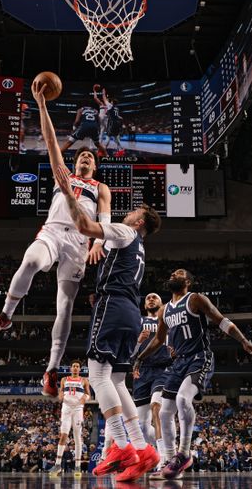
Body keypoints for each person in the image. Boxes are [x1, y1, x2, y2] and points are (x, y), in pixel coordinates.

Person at [43, 79, 163, 483]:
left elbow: (90, 225)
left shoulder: (128, 233)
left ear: (141, 222)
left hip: (114, 304)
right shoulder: (140, 250)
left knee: (96, 377)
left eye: (135, 213)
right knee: (115, 381)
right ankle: (142, 448)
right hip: (129, 313)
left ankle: (124, 445)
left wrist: (75, 205)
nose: (130, 214)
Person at [0, 103, 112, 398]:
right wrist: (41, 105)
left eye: (91, 156)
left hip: (79, 243)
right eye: (83, 155)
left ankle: (52, 370)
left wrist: (100, 242)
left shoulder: (101, 187)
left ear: (95, 165)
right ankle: (5, 315)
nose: (87, 157)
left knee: (64, 307)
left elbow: (105, 219)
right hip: (52, 231)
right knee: (30, 261)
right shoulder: (61, 174)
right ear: (76, 162)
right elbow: (51, 140)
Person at [135, 269, 252, 480]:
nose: (172, 275)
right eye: (171, 273)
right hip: (178, 363)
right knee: (164, 412)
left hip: (199, 357)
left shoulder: (195, 299)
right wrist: (141, 357)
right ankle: (169, 462)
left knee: (182, 399)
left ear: (187, 281)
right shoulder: (164, 310)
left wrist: (243, 340)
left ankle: (184, 453)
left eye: (177, 274)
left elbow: (221, 320)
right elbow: (159, 339)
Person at [131, 292, 172, 468]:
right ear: (144, 305)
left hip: (164, 369)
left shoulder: (168, 320)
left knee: (157, 408)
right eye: (148, 298)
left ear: (161, 303)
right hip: (142, 371)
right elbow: (130, 352)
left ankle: (165, 457)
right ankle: (157, 452)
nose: (151, 299)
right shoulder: (138, 322)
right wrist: (138, 341)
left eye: (155, 297)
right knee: (142, 424)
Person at [50, 360, 90, 477]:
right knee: (63, 436)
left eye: (78, 366)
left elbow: (88, 394)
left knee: (77, 437)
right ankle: (58, 465)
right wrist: (60, 395)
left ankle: (77, 466)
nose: (76, 368)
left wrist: (85, 398)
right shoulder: (64, 379)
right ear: (70, 368)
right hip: (66, 409)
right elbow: (61, 392)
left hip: (78, 409)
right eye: (74, 366)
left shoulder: (84, 380)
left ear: (80, 369)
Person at [93, 86, 125, 156]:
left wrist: (103, 93)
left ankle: (102, 150)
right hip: (112, 121)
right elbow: (119, 117)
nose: (108, 100)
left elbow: (104, 98)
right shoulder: (115, 107)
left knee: (107, 136)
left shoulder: (110, 105)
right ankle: (121, 150)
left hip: (110, 122)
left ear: (112, 102)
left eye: (109, 100)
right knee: (114, 137)